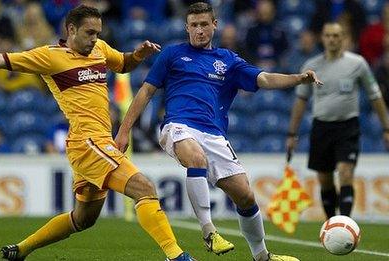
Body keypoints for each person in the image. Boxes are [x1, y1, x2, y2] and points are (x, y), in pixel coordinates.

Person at [0, 5, 196, 261]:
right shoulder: (50, 56)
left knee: (83, 219)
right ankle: (175, 255)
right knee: (145, 188)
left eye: (98, 33)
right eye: (89, 33)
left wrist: (138, 55)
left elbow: (123, 64)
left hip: (96, 143)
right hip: (87, 142)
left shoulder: (100, 49)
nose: (95, 39)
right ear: (71, 29)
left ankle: (22, 249)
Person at [115, 2, 321, 261]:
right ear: (186, 27)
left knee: (245, 196)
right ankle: (209, 232)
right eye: (194, 25)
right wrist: (124, 132)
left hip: (214, 134)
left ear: (215, 25)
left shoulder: (229, 61)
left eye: (204, 24)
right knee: (196, 157)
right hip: (178, 125)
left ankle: (263, 256)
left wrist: (297, 78)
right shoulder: (172, 55)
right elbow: (145, 92)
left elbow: (264, 79)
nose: (199, 31)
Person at [286, 23, 389, 220]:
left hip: (347, 126)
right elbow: (301, 100)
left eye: (336, 36)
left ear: (343, 38)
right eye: (328, 35)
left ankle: (345, 222)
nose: (332, 39)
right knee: (324, 179)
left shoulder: (357, 64)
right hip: (321, 126)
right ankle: (331, 222)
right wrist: (292, 133)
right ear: (322, 38)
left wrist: (386, 128)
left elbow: (375, 95)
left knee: (345, 172)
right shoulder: (312, 66)